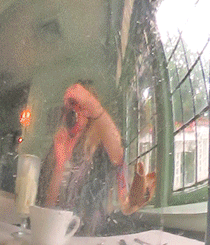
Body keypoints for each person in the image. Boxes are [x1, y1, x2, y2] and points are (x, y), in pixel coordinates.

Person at [40, 81, 155, 230]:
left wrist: (93, 105)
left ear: (90, 114)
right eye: (70, 108)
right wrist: (60, 165)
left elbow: (118, 155)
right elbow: (48, 207)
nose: (75, 113)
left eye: (81, 107)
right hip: (61, 231)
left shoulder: (101, 144)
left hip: (93, 233)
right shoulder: (60, 144)